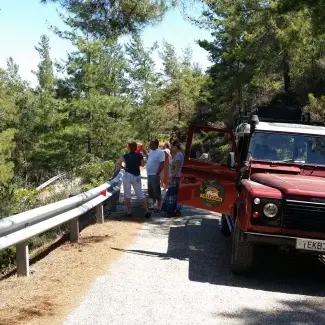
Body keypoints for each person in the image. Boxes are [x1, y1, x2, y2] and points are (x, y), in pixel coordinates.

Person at [116, 141, 151, 218]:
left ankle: (129, 211)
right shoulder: (139, 155)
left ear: (128, 147)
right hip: (137, 175)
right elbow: (142, 164)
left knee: (127, 194)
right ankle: (146, 210)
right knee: (140, 194)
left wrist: (123, 168)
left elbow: (118, 163)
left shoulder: (125, 156)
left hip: (127, 174)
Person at [161, 140, 184, 217]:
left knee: (171, 194)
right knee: (175, 194)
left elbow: (177, 168)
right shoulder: (180, 154)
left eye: (172, 146)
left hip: (176, 177)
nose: (171, 148)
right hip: (177, 177)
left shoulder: (178, 155)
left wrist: (171, 176)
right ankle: (176, 210)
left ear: (175, 146)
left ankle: (170, 211)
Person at [143, 139, 165, 211]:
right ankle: (153, 204)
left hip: (155, 174)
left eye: (151, 144)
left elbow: (162, 163)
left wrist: (158, 173)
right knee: (150, 190)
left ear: (156, 144)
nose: (150, 145)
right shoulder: (151, 152)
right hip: (149, 174)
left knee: (156, 190)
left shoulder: (160, 152)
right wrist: (145, 153)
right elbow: (148, 158)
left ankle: (159, 205)